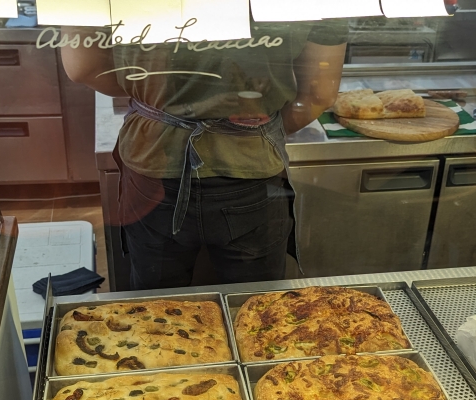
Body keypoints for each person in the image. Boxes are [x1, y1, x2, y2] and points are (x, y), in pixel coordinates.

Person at [61, 21, 348, 290]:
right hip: (252, 163)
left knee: (158, 315)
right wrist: (249, 131)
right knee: (254, 311)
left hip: (153, 160)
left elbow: (83, 67)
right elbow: (318, 92)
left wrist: (163, 106)